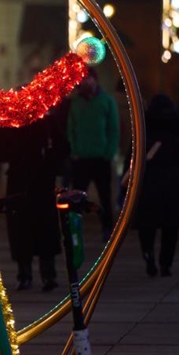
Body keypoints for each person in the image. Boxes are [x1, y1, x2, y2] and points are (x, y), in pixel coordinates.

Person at [129, 94, 179, 277]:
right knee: (171, 227)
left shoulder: (144, 128)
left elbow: (133, 157)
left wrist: (127, 184)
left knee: (147, 225)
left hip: (148, 184)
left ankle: (148, 255)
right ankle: (166, 263)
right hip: (173, 185)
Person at [0, 115, 62, 292]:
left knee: (36, 228)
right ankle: (34, 275)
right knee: (25, 229)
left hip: (35, 180)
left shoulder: (44, 121)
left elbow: (59, 146)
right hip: (28, 180)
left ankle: (36, 275)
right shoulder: (21, 121)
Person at [67, 67, 119, 241]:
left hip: (101, 158)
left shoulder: (107, 101)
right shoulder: (75, 102)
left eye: (89, 79)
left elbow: (113, 129)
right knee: (77, 198)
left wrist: (109, 153)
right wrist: (74, 150)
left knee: (105, 195)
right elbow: (70, 128)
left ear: (96, 80)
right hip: (80, 158)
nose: (86, 82)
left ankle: (108, 228)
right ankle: (75, 231)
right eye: (83, 79)